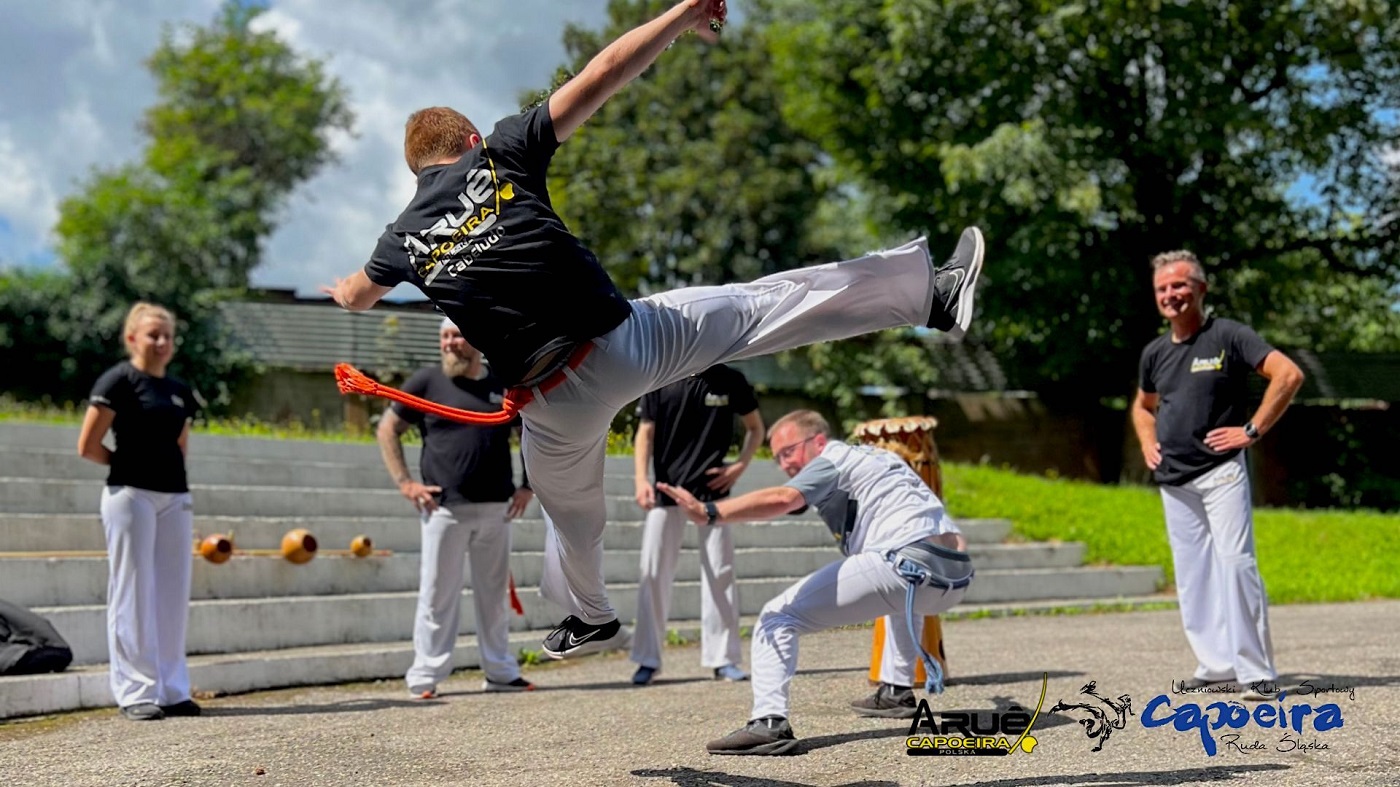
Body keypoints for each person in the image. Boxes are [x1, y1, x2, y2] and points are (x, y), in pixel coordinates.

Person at [323, 0, 986, 660]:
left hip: (551, 402)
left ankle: (591, 615)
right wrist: (684, 14)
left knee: (572, 517)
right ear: (469, 141)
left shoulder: (402, 237)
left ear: (417, 173)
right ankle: (930, 292)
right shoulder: (499, 153)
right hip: (624, 342)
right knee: (764, 306)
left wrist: (341, 288)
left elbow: (356, 296)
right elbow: (607, 70)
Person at [659, 410, 974, 756]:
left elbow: (783, 499)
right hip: (953, 578)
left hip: (904, 562)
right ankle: (897, 691)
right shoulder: (887, 460)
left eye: (787, 452)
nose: (784, 464)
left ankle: (769, 723)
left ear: (818, 441)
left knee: (776, 617)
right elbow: (955, 540)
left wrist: (710, 513)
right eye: (777, 457)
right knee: (901, 597)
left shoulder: (833, 459)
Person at [1131, 250, 1304, 702]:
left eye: (1180, 285)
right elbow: (1142, 406)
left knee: (1235, 566)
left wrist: (1252, 430)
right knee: (1194, 575)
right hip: (1174, 480)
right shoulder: (1155, 353)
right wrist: (1148, 441)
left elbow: (1287, 374)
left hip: (1221, 472)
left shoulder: (1227, 335)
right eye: (1163, 288)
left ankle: (1257, 672)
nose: (1171, 294)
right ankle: (1216, 663)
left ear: (1201, 289)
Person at [377, 317, 536, 697]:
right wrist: (405, 483)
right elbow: (387, 429)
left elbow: (530, 432)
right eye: (445, 337)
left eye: (458, 336)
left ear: (476, 342)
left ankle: (500, 671)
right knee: (437, 594)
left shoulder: (502, 384)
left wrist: (528, 485)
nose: (450, 344)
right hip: (444, 508)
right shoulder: (426, 383)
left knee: (494, 595)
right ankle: (425, 676)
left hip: (497, 507)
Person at [77, 302, 200, 722]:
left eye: (167, 336)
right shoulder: (118, 380)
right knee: (133, 590)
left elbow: (181, 446)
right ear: (132, 338)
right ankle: (135, 691)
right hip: (131, 495)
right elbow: (88, 445)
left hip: (174, 497)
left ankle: (172, 689)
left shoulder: (181, 391)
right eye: (153, 335)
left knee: (171, 594)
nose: (162, 342)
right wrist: (128, 465)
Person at [630, 364, 763, 686]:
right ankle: (648, 659)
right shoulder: (660, 375)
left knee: (720, 572)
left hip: (711, 494)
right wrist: (640, 480)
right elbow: (645, 430)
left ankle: (724, 659)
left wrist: (740, 466)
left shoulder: (731, 379)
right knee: (653, 573)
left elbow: (756, 428)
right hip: (666, 489)